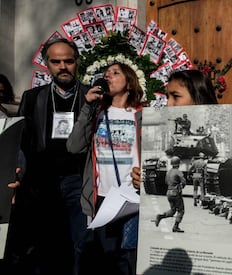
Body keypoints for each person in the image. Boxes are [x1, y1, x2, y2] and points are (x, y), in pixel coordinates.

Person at [5, 38, 89, 275]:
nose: (63, 66)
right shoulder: (32, 98)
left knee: (79, 244)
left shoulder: (89, 96)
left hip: (78, 180)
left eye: (68, 61)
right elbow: (19, 142)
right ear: (47, 65)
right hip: (41, 183)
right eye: (56, 61)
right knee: (45, 244)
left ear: (77, 62)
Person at [67, 62, 143, 275]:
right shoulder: (96, 113)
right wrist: (87, 106)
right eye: (105, 73)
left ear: (129, 82)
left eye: (115, 73)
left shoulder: (141, 115)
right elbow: (73, 146)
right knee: (107, 258)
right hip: (102, 198)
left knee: (128, 257)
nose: (108, 76)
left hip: (133, 198)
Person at [130, 69, 218, 187]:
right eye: (167, 97)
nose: (168, 104)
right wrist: (141, 180)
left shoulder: (203, 125)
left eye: (175, 96)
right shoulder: (177, 132)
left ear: (198, 97)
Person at [154, 156, 186, 233]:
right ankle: (176, 227)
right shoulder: (178, 172)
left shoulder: (168, 172)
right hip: (176, 193)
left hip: (169, 192)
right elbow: (184, 182)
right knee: (181, 210)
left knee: (172, 210)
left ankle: (160, 216)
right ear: (178, 164)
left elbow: (166, 182)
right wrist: (180, 186)